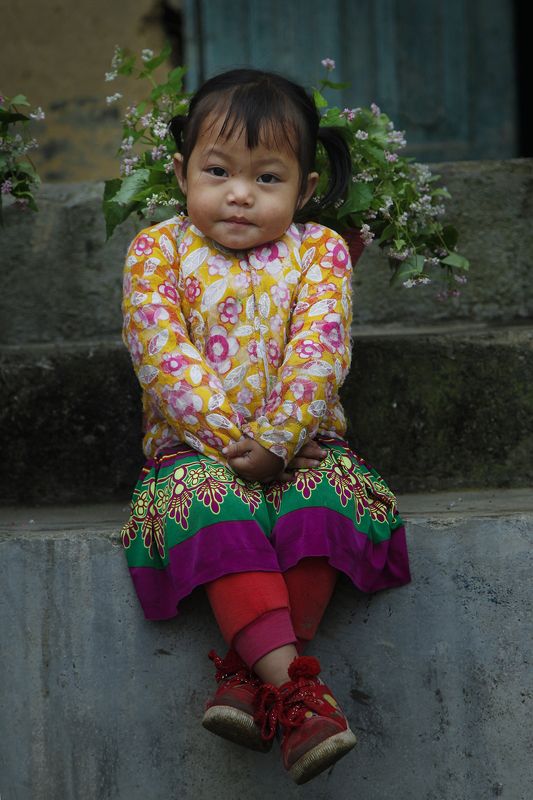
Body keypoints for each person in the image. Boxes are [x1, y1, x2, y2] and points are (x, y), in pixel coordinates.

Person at [121, 68, 410, 785]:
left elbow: (321, 348)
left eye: (266, 177)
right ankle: (299, 692)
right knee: (209, 505)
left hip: (303, 446)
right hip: (192, 452)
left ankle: (250, 681)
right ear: (182, 170)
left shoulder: (320, 252)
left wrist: (279, 443)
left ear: (305, 189)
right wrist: (235, 448)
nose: (239, 193)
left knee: (325, 499)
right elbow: (163, 359)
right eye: (217, 171)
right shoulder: (155, 252)